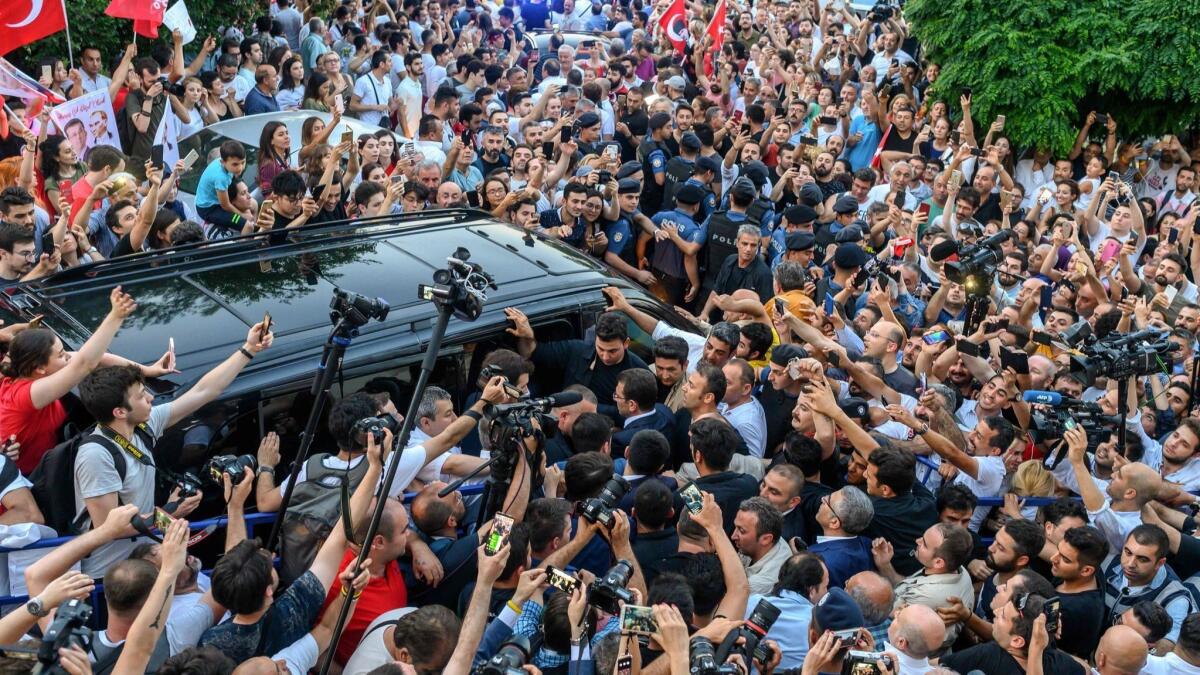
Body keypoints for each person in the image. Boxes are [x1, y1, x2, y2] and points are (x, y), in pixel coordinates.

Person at [505, 307, 646, 404]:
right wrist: (528, 336)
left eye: (612, 351)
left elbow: (640, 413)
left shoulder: (638, 371)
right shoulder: (577, 350)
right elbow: (535, 353)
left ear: (626, 343)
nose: (605, 356)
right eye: (600, 349)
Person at [809, 486, 876, 588]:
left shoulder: (817, 562)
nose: (823, 498)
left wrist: (799, 559)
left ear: (834, 522)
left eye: (827, 501)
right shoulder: (868, 545)